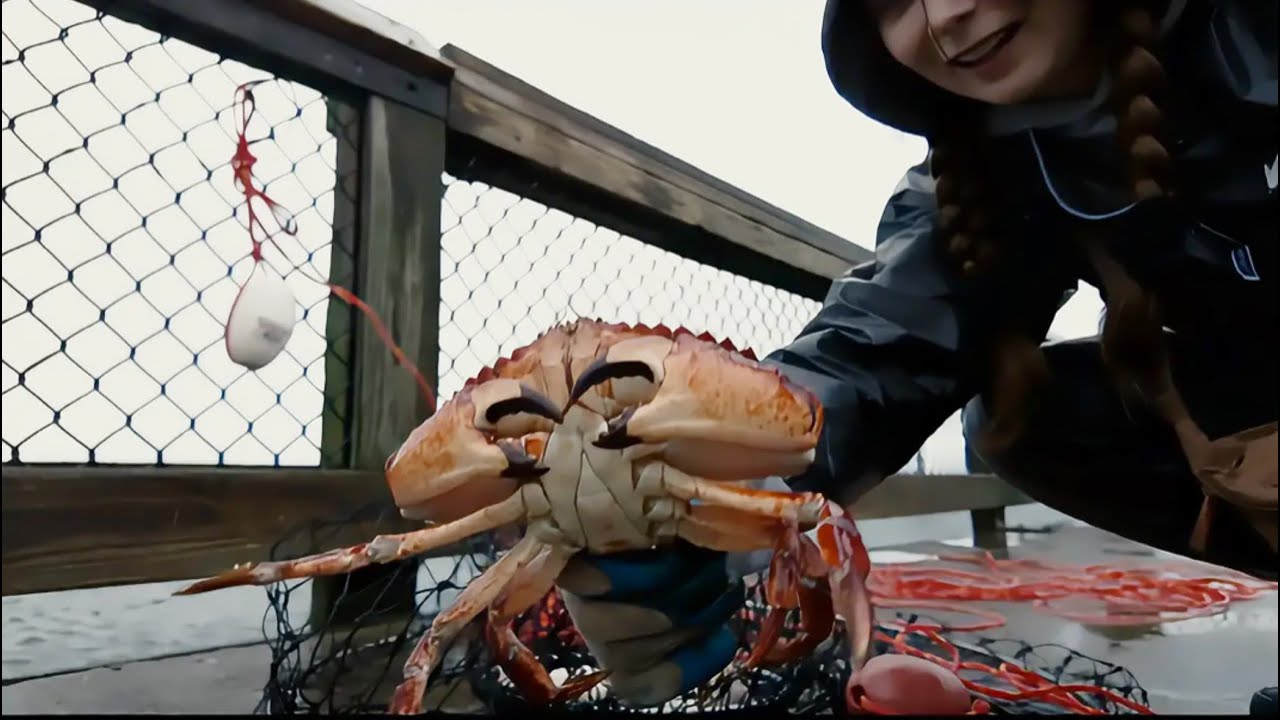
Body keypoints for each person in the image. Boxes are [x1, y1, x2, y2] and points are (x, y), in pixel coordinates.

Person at [554, 0, 1278, 712]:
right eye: (894, 0)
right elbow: (880, 345)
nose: (948, 14)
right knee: (1016, 419)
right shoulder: (992, 165)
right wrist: (711, 484)